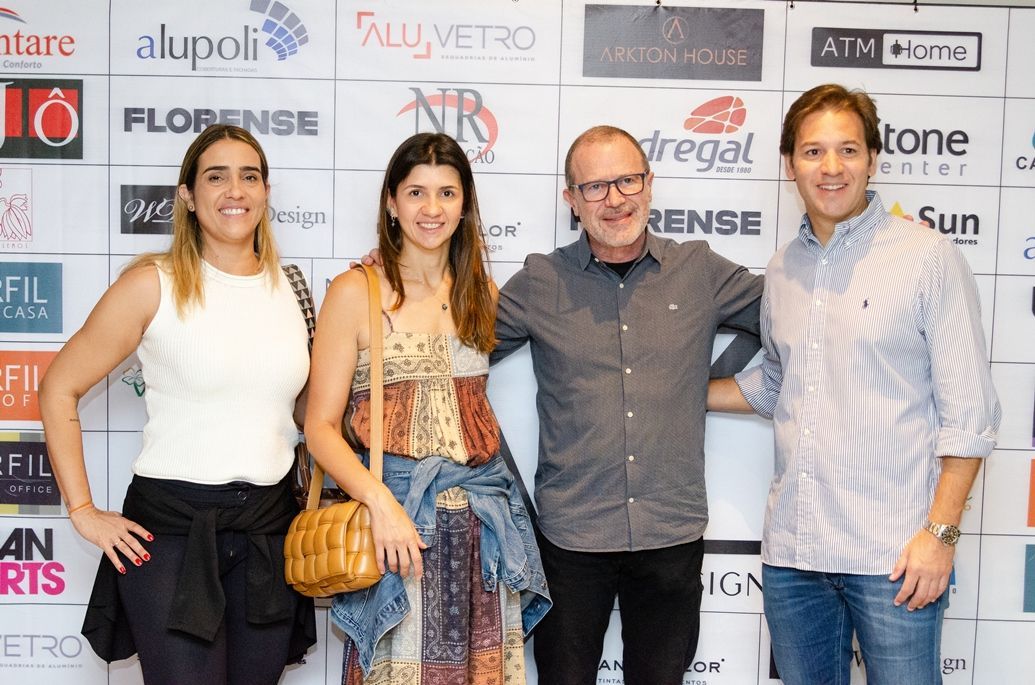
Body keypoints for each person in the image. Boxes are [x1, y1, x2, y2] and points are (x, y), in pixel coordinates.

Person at [709, 84, 1001, 684]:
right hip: (795, 559)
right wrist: (665, 393)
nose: (831, 168)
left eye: (847, 150)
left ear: (873, 158)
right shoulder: (783, 267)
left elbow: (969, 415)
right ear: (789, 163)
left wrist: (940, 536)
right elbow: (774, 384)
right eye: (814, 152)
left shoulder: (927, 258)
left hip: (894, 559)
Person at [39, 124, 316, 684]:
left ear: (265, 193)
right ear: (188, 196)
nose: (234, 191)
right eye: (216, 177)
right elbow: (57, 387)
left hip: (269, 531)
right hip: (168, 536)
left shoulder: (293, 287)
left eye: (249, 176)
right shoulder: (151, 284)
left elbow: (308, 415)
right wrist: (83, 513)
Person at [490, 125, 763, 685]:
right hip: (571, 537)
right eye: (595, 187)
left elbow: (787, 321)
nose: (614, 199)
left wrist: (700, 386)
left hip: (671, 532)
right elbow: (458, 347)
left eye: (627, 180)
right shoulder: (541, 280)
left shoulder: (700, 270)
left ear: (649, 183)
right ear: (571, 200)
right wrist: (397, 274)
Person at [304, 132, 550, 684]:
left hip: (481, 533)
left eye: (447, 193)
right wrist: (380, 505)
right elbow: (319, 427)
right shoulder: (355, 291)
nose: (431, 209)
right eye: (415, 193)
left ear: (465, 206)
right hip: (397, 529)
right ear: (391, 203)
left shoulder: (481, 293)